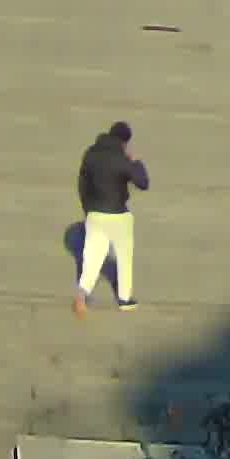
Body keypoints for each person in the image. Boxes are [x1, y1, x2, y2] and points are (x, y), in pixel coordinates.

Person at [75, 120, 152, 316]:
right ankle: (125, 299)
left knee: (92, 257)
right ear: (125, 141)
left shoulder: (91, 154)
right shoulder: (122, 159)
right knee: (124, 257)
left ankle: (82, 295)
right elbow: (143, 183)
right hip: (118, 215)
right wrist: (135, 162)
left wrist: (88, 209)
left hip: (95, 213)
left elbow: (82, 183)